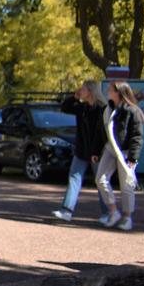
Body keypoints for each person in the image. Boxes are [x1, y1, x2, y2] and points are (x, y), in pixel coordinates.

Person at [52, 80, 108, 222]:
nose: (80, 90)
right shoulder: (82, 108)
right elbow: (65, 107)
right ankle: (66, 210)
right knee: (74, 178)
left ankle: (108, 213)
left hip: (97, 151)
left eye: (83, 89)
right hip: (82, 150)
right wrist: (74, 97)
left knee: (101, 181)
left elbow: (102, 133)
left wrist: (97, 151)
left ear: (90, 91)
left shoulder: (102, 109)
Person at [94, 81, 144, 232]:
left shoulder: (132, 111)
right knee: (100, 179)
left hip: (126, 152)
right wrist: (96, 151)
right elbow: (101, 132)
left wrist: (132, 158)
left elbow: (137, 136)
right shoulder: (108, 109)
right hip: (110, 149)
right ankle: (113, 211)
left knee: (127, 185)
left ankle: (127, 217)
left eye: (110, 89)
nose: (108, 91)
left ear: (119, 92)